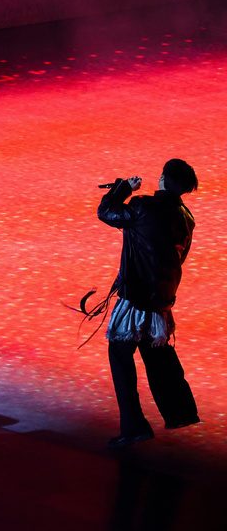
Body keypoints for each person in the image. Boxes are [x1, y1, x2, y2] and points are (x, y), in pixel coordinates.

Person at [98, 159, 200, 449]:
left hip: (137, 297)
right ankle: (179, 412)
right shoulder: (186, 217)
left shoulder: (144, 206)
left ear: (164, 178)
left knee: (120, 354)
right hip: (162, 298)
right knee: (155, 353)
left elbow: (106, 212)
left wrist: (122, 189)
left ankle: (134, 426)